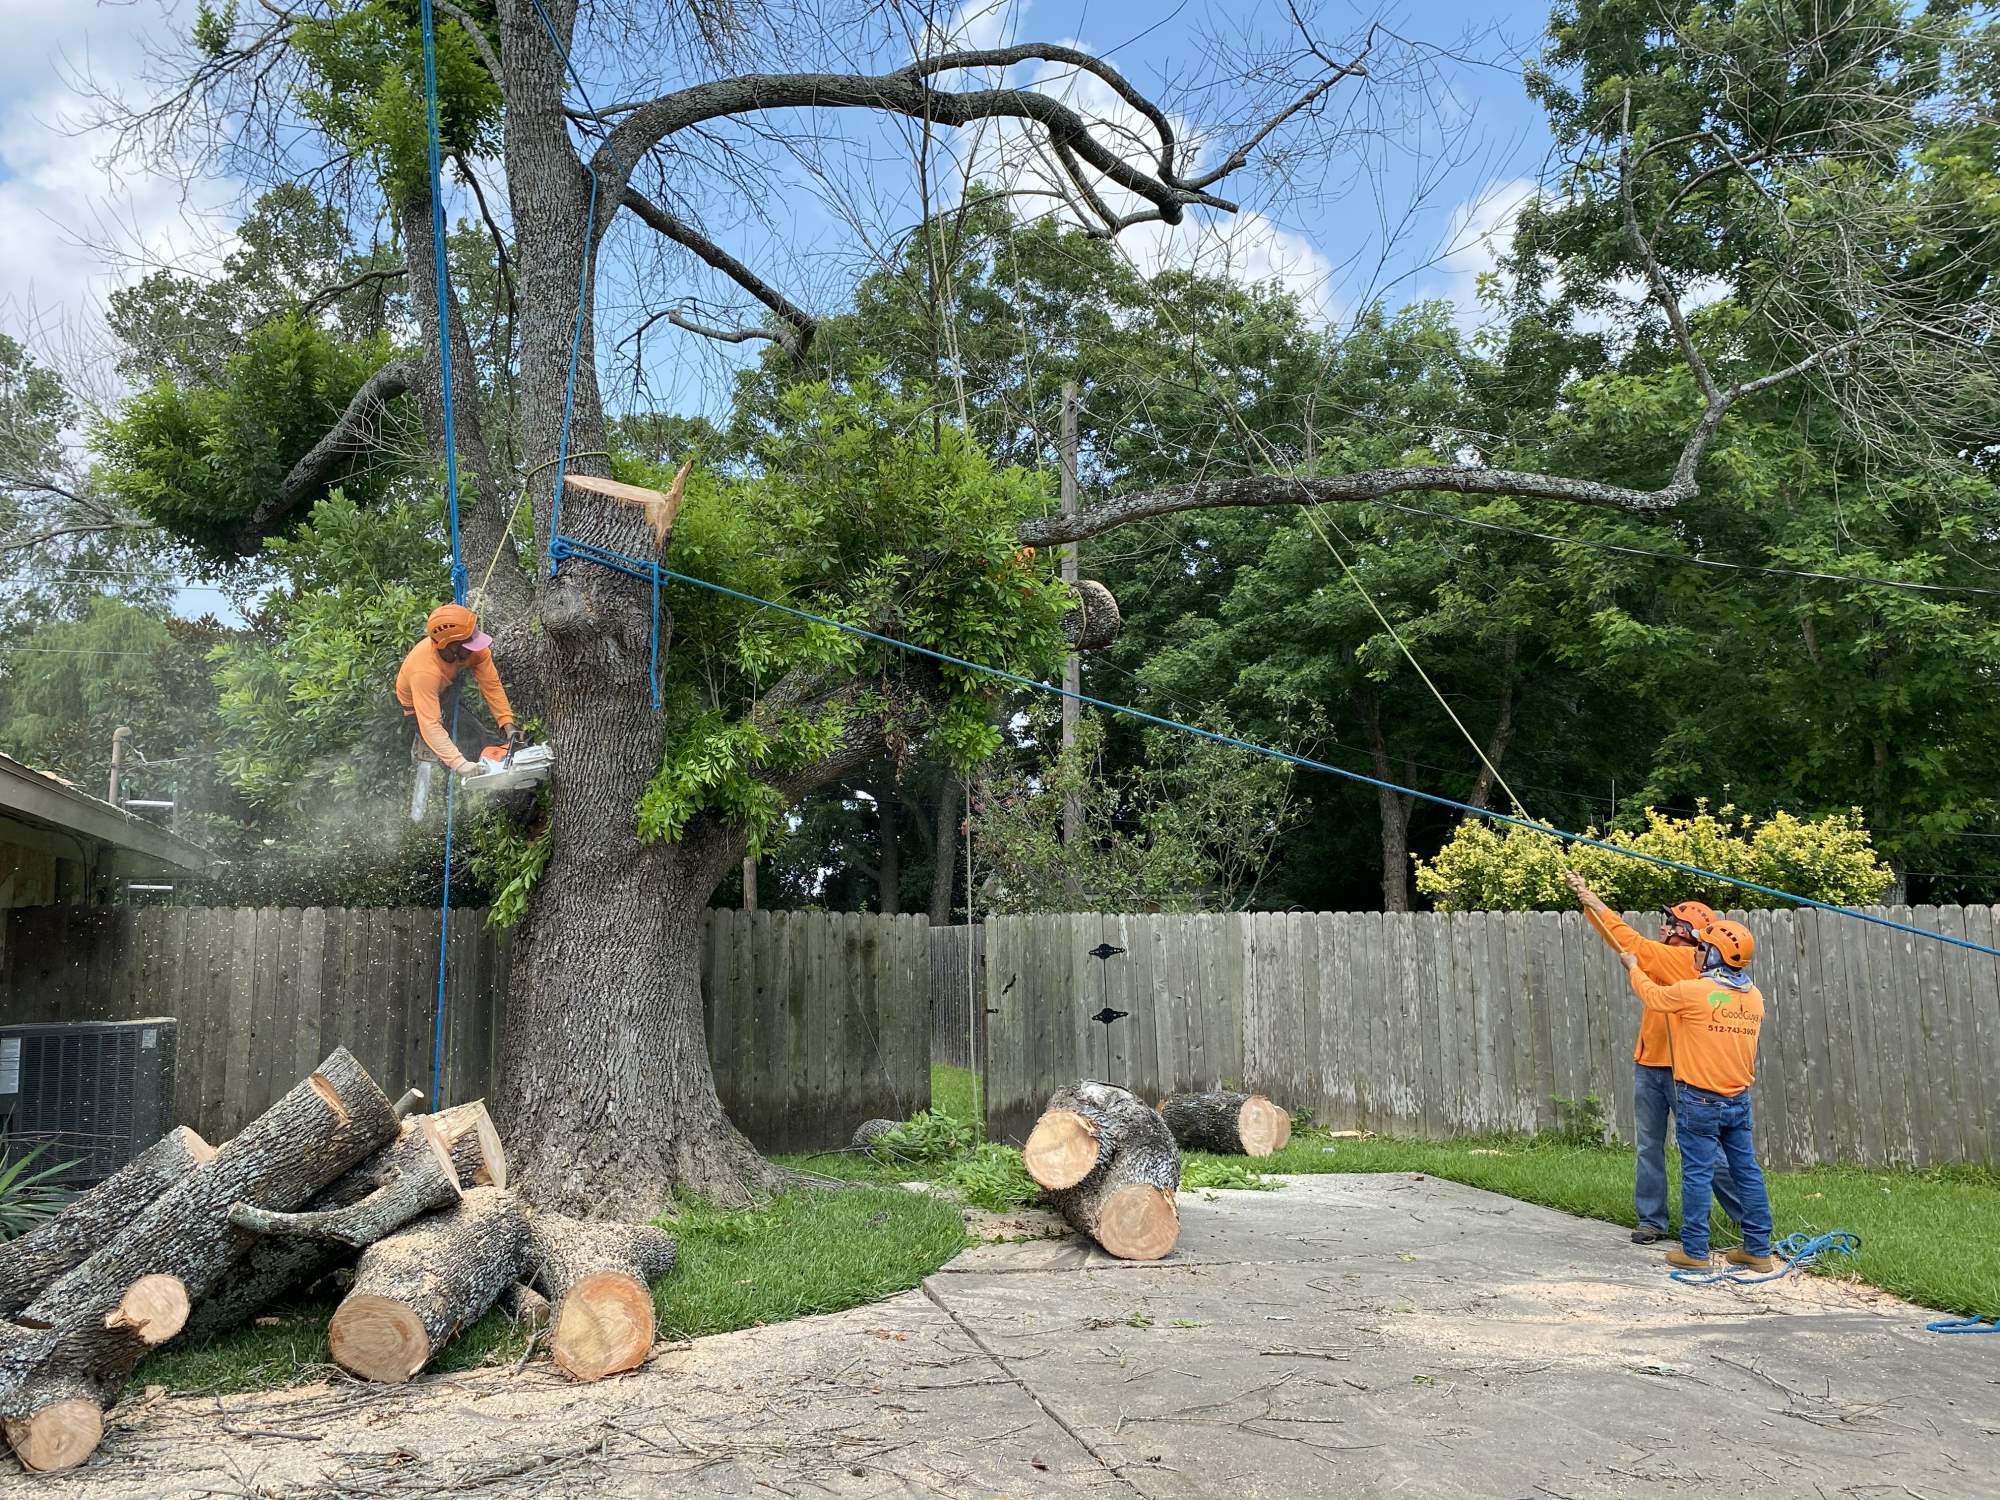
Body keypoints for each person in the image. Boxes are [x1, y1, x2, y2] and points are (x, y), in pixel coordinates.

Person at [1563, 870, 1745, 1245]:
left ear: (1688, 935)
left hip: (1683, 1074)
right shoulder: (1669, 959)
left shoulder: (1682, 962)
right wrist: (1589, 901)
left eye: (1670, 922)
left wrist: (1590, 897)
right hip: (1649, 1065)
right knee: (1649, 1147)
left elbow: (1628, 941)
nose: (1663, 927)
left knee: (1708, 1153)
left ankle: (1749, 1220)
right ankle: (1652, 1221)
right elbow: (1628, 943)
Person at [1618, 919, 1777, 1272]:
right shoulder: (1754, 998)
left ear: (1715, 955)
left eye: (1703, 948)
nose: (1698, 953)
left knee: (1697, 1173)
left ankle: (1695, 1251)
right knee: (1748, 1171)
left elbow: (1652, 997)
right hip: (1738, 1099)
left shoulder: (1694, 991)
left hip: (1699, 1099)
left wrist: (1633, 966)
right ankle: (1758, 1249)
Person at [395, 603, 520, 779]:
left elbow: (491, 685)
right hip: (417, 707)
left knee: (479, 735)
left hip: (445, 691)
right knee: (470, 746)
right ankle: (501, 788)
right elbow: (430, 724)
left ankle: (506, 761)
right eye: (469, 644)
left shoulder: (472, 648)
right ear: (449, 646)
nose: (476, 648)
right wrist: (459, 764)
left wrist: (509, 725)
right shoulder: (424, 671)